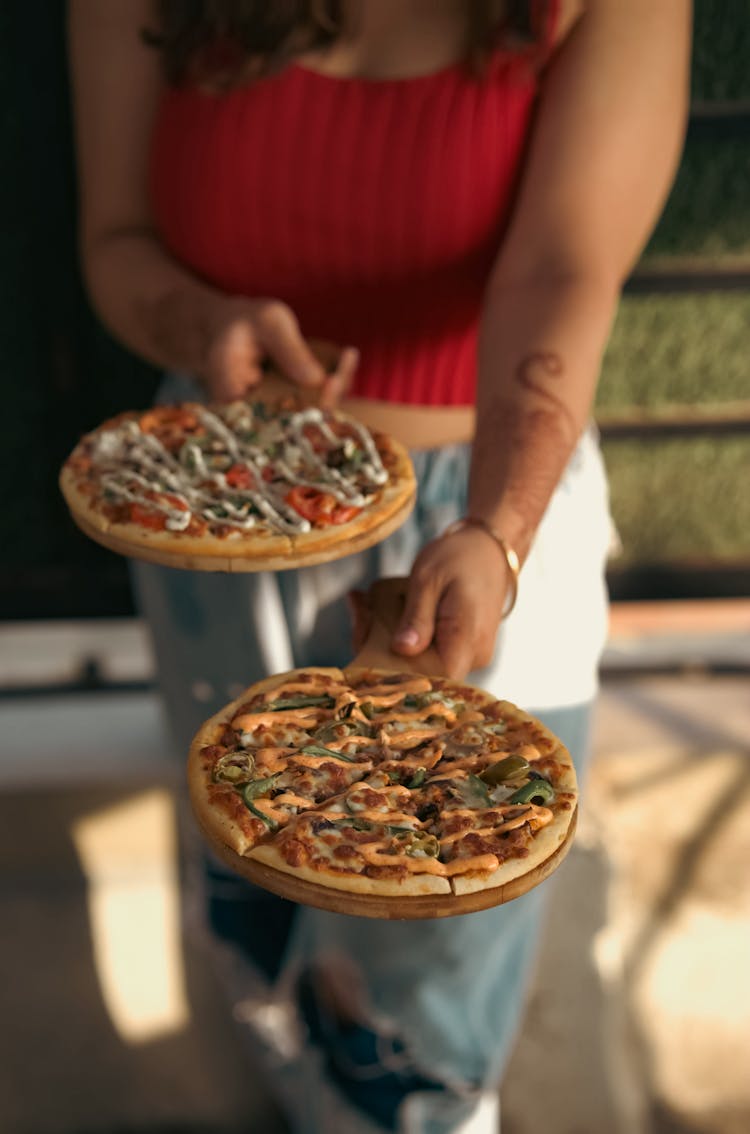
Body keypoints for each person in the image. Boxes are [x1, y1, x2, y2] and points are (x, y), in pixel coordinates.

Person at [69, 2, 690, 1130]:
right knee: (258, 869)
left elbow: (560, 266)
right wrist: (199, 321)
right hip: (224, 504)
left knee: (439, 971)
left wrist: (498, 532)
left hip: (495, 500)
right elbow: (115, 243)